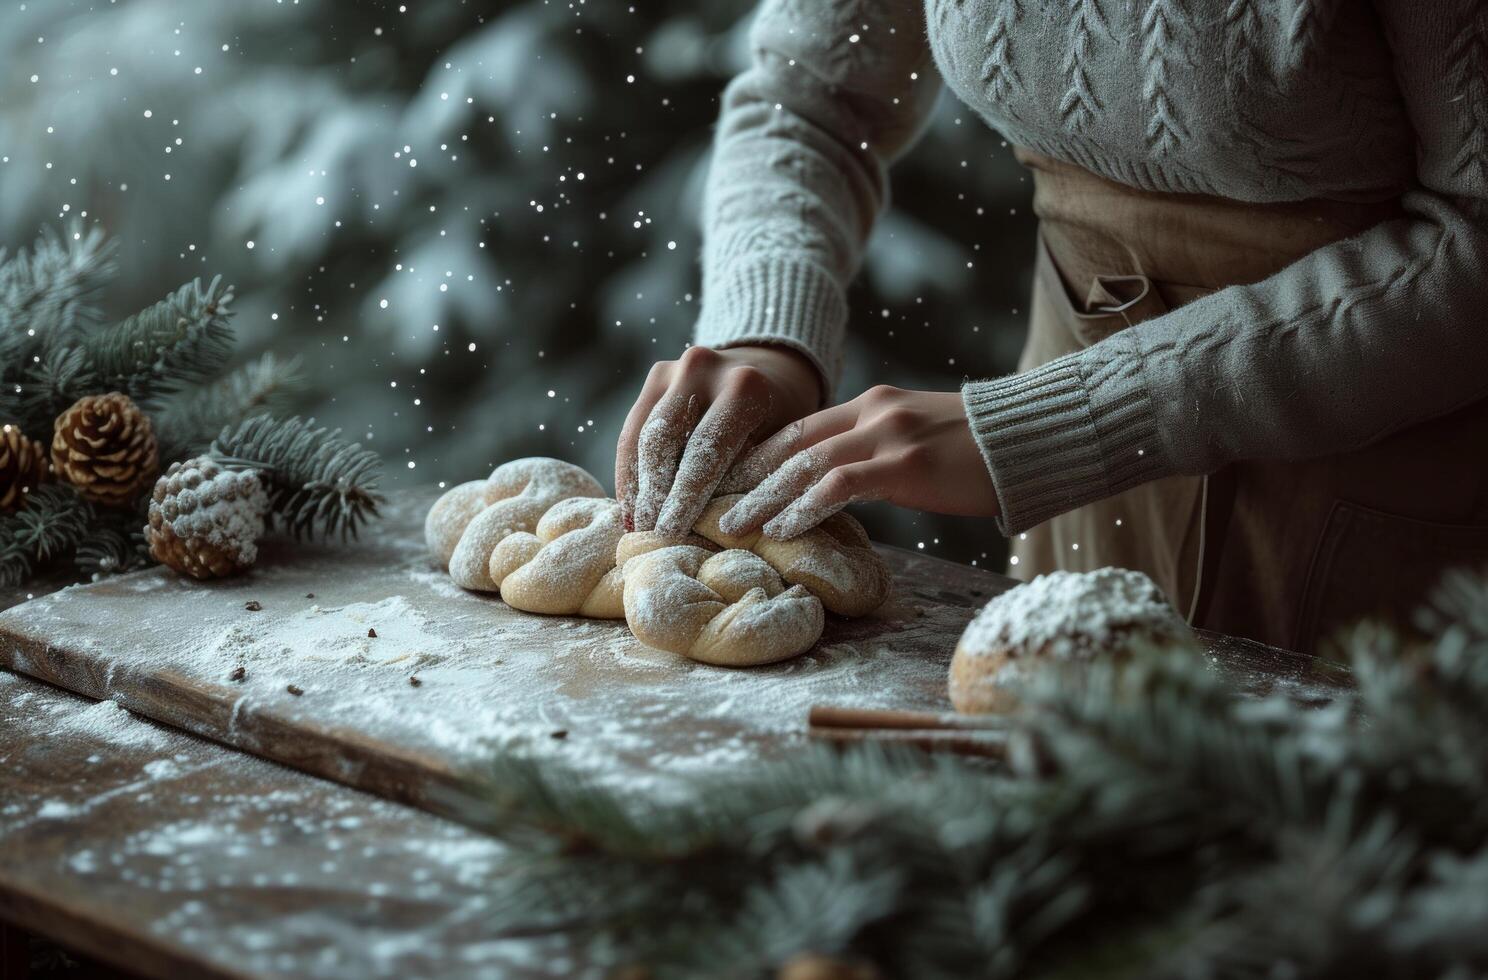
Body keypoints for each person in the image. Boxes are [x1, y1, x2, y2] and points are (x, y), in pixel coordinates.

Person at [615, 1, 1488, 654]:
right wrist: (765, 331)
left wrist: (1074, 421)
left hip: (1384, 474)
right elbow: (807, 102)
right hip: (1067, 455)